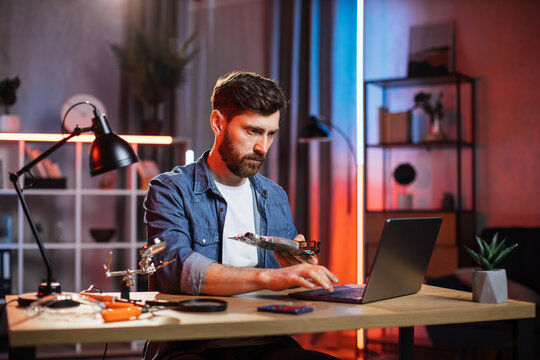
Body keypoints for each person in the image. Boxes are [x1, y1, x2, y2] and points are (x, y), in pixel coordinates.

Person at [143, 71, 339, 360]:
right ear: (218, 122)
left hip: (268, 343)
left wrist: (298, 266)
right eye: (252, 131)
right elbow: (177, 270)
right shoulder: (169, 190)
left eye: (270, 134)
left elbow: (286, 278)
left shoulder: (274, 196)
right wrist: (271, 278)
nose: (262, 147)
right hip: (194, 347)